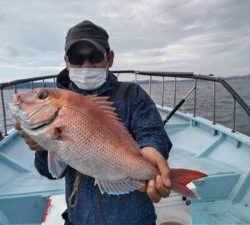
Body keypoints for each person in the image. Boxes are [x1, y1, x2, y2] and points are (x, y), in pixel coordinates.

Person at [16, 20, 172, 225]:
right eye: (77, 58)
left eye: (95, 57)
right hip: (80, 218)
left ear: (110, 58)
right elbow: (51, 172)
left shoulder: (132, 94)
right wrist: (42, 148)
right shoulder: (60, 103)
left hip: (135, 218)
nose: (86, 65)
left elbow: (153, 132)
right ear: (66, 61)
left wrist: (153, 149)